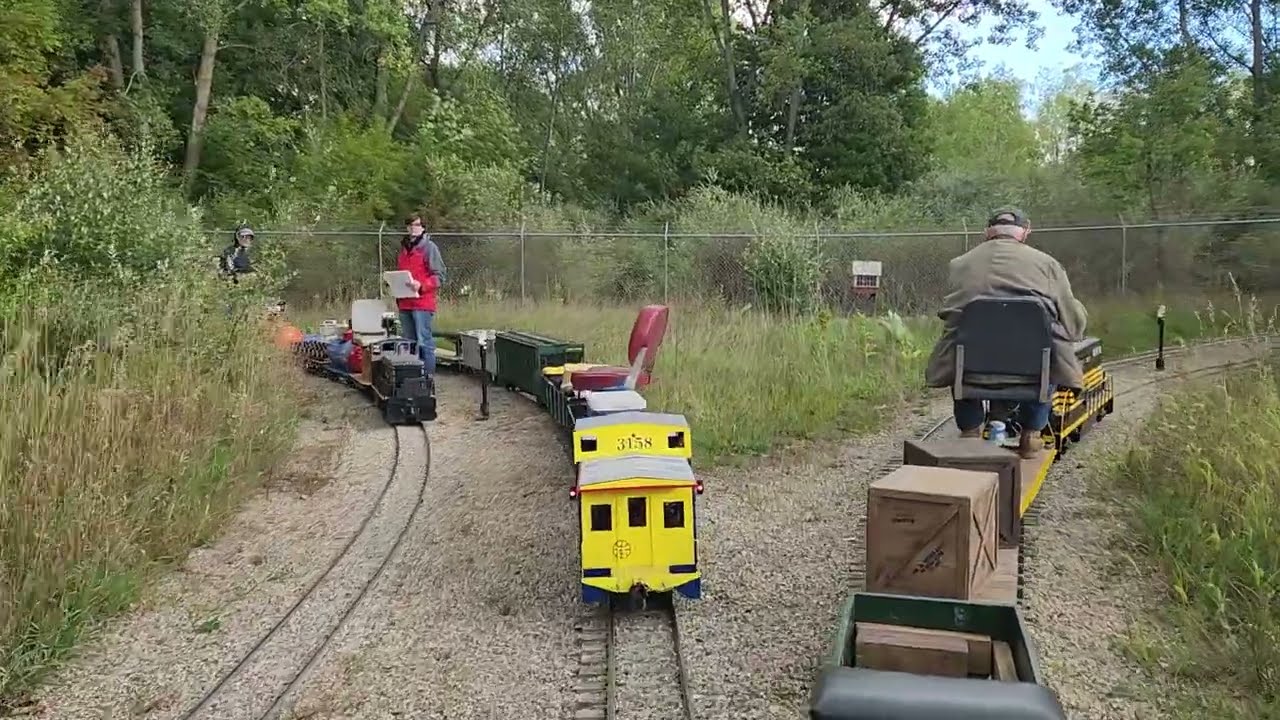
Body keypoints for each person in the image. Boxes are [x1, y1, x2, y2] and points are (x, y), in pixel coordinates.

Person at [924, 208, 1088, 457]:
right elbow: (1074, 325)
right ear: (1026, 231)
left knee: (960, 343)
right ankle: (1031, 435)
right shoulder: (1048, 264)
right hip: (1031, 369)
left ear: (987, 232)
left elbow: (950, 312)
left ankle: (969, 430)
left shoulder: (960, 264)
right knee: (1049, 350)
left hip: (973, 368)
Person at [395, 213, 447, 375]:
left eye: (416, 225)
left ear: (423, 227)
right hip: (405, 303)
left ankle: (427, 378)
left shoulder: (429, 248)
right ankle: (412, 377)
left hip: (422, 304)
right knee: (409, 343)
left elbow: (440, 276)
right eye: (410, 225)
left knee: (424, 342)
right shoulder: (404, 249)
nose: (412, 228)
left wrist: (422, 286)